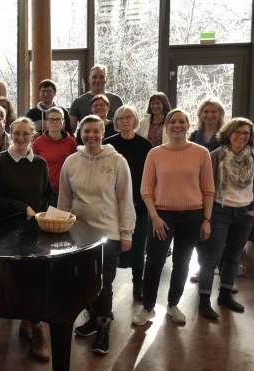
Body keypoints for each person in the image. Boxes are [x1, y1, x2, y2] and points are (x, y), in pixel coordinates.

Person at [132, 109, 214, 327]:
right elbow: (146, 189)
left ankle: (173, 304)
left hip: (193, 216)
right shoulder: (155, 154)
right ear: (166, 126)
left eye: (182, 121)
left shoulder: (201, 153)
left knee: (182, 262)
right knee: (155, 262)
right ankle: (148, 307)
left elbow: (208, 189)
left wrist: (206, 219)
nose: (177, 125)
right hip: (161, 216)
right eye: (173, 121)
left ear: (188, 125)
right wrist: (155, 217)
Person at [60, 115, 135, 355]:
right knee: (84, 282)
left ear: (103, 132)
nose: (91, 135)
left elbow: (125, 199)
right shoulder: (71, 161)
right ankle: (93, 319)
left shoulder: (117, 161)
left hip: (108, 234)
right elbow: (64, 200)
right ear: (80, 133)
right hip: (78, 234)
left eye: (96, 131)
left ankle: (103, 327)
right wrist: (60, 230)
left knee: (104, 283)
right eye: (86, 131)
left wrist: (126, 233)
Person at [0, 117, 52, 362]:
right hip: (7, 231)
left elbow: (46, 195)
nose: (21, 138)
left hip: (35, 231)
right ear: (10, 134)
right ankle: (34, 327)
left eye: (26, 134)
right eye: (17, 133)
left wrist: (45, 213)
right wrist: (23, 208)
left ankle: (32, 325)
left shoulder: (40, 164)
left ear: (33, 136)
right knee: (21, 282)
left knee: (35, 281)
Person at [196, 118, 254, 319]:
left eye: (246, 133)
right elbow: (204, 186)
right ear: (228, 134)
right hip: (219, 212)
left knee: (234, 257)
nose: (242, 137)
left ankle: (225, 295)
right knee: (211, 258)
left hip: (245, 214)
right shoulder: (215, 156)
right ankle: (204, 301)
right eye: (238, 132)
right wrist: (207, 216)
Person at [104, 106, 153, 300]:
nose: (124, 121)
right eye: (120, 118)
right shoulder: (108, 144)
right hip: (111, 203)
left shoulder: (145, 145)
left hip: (139, 203)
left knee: (138, 246)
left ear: (135, 120)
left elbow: (149, 176)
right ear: (116, 122)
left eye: (128, 117)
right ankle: (107, 285)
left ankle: (137, 284)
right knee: (110, 248)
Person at [31, 107, 77, 207]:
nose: (55, 122)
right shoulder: (38, 142)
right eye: (51, 119)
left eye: (58, 119)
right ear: (46, 123)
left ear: (63, 122)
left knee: (64, 222)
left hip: (66, 190)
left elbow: (75, 167)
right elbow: (33, 168)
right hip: (45, 192)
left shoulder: (71, 142)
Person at [69, 65, 124, 130]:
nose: (97, 80)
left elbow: (124, 124)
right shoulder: (78, 102)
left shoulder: (117, 100)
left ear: (106, 79)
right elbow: (71, 130)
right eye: (94, 77)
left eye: (101, 77)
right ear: (89, 79)